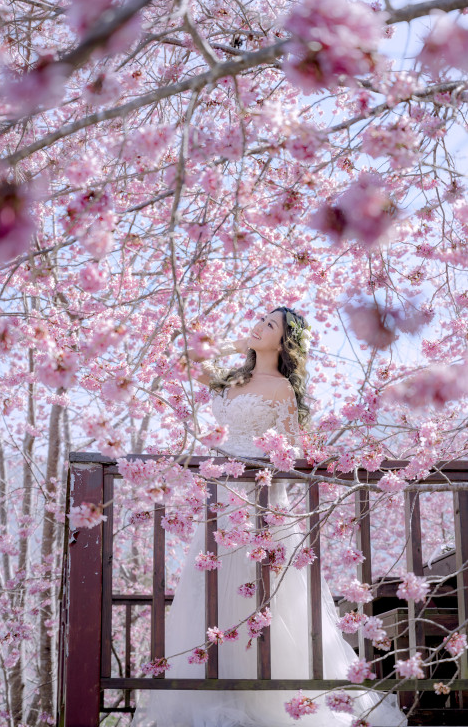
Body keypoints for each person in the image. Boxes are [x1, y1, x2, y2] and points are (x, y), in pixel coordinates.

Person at [132, 306, 407, 727]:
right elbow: (181, 360)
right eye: (260, 320)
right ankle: (213, 695)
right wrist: (235, 345)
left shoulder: (282, 389)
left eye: (270, 325)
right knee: (210, 599)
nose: (259, 326)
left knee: (271, 603)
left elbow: (292, 454)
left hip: (262, 505)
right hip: (220, 503)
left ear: (283, 341)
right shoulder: (231, 379)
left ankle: (276, 703)